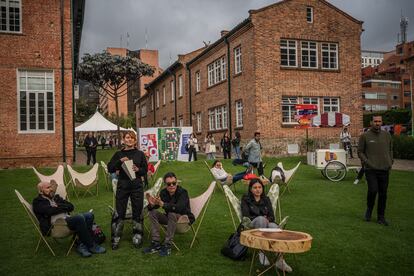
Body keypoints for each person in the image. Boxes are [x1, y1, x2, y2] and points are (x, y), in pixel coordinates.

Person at [32, 181, 106, 257]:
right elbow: (49, 211)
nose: (51, 189)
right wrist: (62, 207)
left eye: (51, 186)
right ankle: (91, 246)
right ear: (41, 191)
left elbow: (71, 206)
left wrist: (58, 206)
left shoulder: (56, 198)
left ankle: (81, 245)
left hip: (67, 220)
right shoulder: (38, 202)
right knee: (79, 218)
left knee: (89, 215)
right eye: (48, 188)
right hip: (57, 226)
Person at [240, 178, 292, 272]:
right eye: (255, 187)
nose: (258, 189)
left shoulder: (266, 199)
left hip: (266, 224)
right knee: (261, 219)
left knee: (274, 227)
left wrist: (267, 219)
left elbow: (272, 216)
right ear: (251, 189)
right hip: (252, 225)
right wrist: (263, 218)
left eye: (260, 187)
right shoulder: (246, 199)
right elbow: (246, 216)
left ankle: (279, 259)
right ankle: (261, 251)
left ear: (262, 188)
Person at [108, 131, 148, 249]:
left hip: (136, 186)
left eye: (132, 138)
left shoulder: (140, 154)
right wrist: (120, 161)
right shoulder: (118, 154)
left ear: (135, 141)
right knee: (119, 212)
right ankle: (115, 237)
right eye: (127, 137)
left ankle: (137, 236)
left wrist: (138, 169)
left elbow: (144, 170)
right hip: (123, 185)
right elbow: (110, 168)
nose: (129, 139)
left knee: (137, 210)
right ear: (124, 140)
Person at [143, 172, 195, 257]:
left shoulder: (183, 192)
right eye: (169, 184)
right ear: (165, 184)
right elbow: (155, 206)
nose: (171, 185)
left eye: (174, 183)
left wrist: (163, 204)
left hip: (184, 219)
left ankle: (167, 244)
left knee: (172, 213)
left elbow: (179, 208)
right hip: (170, 219)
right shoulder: (164, 192)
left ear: (177, 183)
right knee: (153, 213)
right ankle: (156, 243)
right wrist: (152, 204)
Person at [358, 116, 393, 226]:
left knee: (383, 194)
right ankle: (369, 209)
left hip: (384, 169)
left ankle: (381, 217)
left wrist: (390, 161)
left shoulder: (387, 135)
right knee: (373, 190)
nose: (377, 123)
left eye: (379, 121)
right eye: (375, 121)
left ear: (382, 122)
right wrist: (367, 162)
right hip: (370, 169)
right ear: (371, 122)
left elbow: (391, 149)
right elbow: (360, 152)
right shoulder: (365, 136)